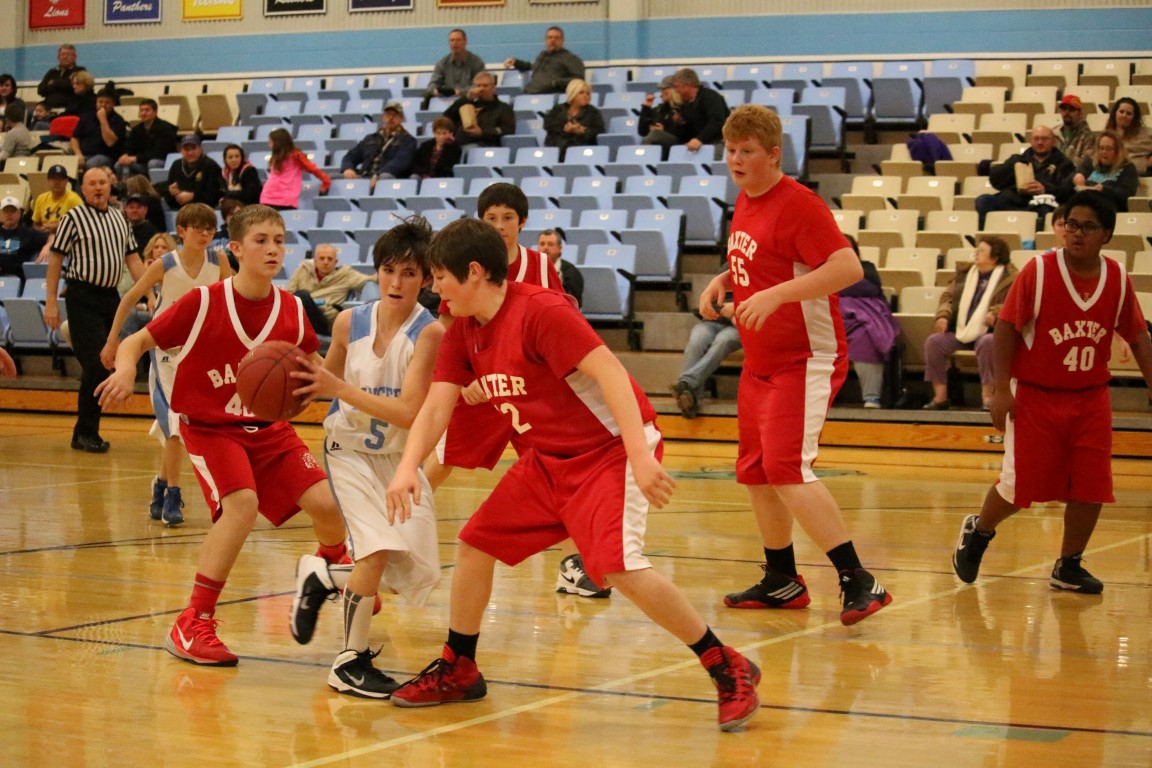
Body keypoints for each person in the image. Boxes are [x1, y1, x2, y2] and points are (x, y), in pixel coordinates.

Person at [383, 217, 761, 731]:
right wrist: (407, 468)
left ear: (473, 272)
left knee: (620, 566)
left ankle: (724, 663)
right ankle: (459, 667)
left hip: (608, 451)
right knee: (475, 544)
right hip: (547, 459)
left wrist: (640, 455)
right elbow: (435, 408)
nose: (434, 288)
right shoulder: (462, 332)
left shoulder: (541, 311)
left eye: (440, 277)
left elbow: (611, 373)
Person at [95, 204, 350, 666]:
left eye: (279, 240)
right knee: (242, 506)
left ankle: (327, 571)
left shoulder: (292, 308)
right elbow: (137, 340)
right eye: (261, 241)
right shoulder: (204, 302)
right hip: (211, 429)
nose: (272, 249)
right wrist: (126, 368)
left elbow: (317, 368)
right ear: (235, 249)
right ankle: (192, 620)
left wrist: (340, 390)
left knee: (329, 506)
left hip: (270, 430)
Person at [699, 104, 892, 625]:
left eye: (747, 151)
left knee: (786, 468)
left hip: (805, 358)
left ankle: (859, 579)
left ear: (773, 154)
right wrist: (724, 279)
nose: (736, 160)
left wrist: (778, 295)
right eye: (731, 150)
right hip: (761, 360)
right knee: (756, 472)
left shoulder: (800, 204)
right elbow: (764, 257)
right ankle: (782, 579)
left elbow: (848, 267)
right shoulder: (746, 198)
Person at [951, 190, 1152, 594]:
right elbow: (1006, 327)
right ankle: (979, 529)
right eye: (1072, 224)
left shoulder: (1116, 278)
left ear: (1107, 235)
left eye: (1088, 227)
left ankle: (1069, 565)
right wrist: (1001, 390)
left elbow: (1137, 335)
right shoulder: (1039, 272)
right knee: (1019, 486)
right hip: (1036, 394)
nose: (1077, 233)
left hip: (1091, 396)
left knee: (1092, 484)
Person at [289, 217, 445, 698]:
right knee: (374, 552)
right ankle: (349, 660)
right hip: (348, 451)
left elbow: (408, 412)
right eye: (388, 270)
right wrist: (288, 379)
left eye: (409, 273)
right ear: (376, 271)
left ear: (426, 279)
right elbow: (324, 385)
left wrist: (339, 388)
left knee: (414, 571)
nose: (396, 282)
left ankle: (323, 575)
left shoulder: (430, 333)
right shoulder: (347, 322)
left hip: (396, 459)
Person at [99, 203, 232, 527]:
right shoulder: (166, 264)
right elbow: (130, 298)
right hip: (165, 353)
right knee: (175, 426)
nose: (205, 234)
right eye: (198, 228)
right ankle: (173, 493)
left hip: (200, 354)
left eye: (210, 229)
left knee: (182, 427)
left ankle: (160, 486)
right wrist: (113, 339)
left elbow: (233, 302)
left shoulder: (220, 262)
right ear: (182, 232)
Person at [44, 167, 145, 453]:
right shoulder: (73, 218)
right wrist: (50, 302)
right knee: (96, 362)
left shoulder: (120, 218)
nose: (98, 187)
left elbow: (133, 260)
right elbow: (55, 261)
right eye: (92, 183)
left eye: (102, 182)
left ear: (110, 186)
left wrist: (151, 293)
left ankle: (85, 432)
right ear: (83, 189)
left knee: (106, 361)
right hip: (82, 296)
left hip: (111, 297)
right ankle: (85, 432)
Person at [921, 236, 1018, 411]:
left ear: (995, 257)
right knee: (934, 342)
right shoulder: (965, 274)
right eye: (977, 250)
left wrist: (997, 313)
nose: (976, 254)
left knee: (988, 342)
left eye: (981, 251)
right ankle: (940, 398)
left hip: (990, 331)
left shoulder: (1011, 278)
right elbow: (947, 298)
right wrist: (943, 316)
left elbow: (1015, 303)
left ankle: (988, 397)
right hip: (961, 330)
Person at [838, 237, 899, 409]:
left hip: (861, 319)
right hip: (829, 320)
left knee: (866, 337)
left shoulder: (867, 268)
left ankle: (871, 397)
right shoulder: (817, 268)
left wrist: (832, 284)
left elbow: (868, 288)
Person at [975, 125, 1075, 228]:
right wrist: (1012, 167)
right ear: (1031, 141)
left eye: (1044, 139)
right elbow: (995, 181)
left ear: (1054, 142)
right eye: (1036, 139)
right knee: (984, 200)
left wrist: (1045, 189)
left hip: (1042, 204)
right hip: (1013, 201)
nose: (1040, 142)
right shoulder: (1017, 159)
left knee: (1045, 209)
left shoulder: (1064, 164)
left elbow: (1067, 192)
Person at [670, 297, 742, 420]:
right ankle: (691, 398)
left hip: (739, 325)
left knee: (723, 341)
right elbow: (706, 302)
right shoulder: (720, 284)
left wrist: (737, 309)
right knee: (696, 342)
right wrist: (726, 309)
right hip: (712, 321)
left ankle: (686, 384)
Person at [286, 242, 372, 335]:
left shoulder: (345, 274)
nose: (325, 262)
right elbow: (289, 294)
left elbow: (370, 280)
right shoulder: (303, 270)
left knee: (302, 296)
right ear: (315, 261)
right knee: (296, 298)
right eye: (322, 258)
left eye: (330, 259)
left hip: (326, 321)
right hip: (301, 316)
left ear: (336, 262)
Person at [1061, 129, 1139, 212]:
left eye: (1109, 149)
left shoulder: (1128, 168)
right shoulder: (1090, 163)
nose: (1104, 152)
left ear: (1118, 151)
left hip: (1111, 211)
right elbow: (1063, 189)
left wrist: (1103, 189)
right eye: (1101, 148)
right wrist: (1075, 178)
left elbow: (1126, 194)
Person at [340, 103, 416, 183]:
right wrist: (348, 169)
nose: (391, 118)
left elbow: (400, 162)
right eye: (388, 114)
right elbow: (350, 156)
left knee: (384, 177)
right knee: (334, 177)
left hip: (388, 178)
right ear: (383, 117)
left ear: (401, 118)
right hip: (364, 176)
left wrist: (378, 175)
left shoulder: (408, 140)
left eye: (395, 115)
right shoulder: (370, 138)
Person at [260, 128, 330, 210]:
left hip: (283, 200)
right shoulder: (276, 158)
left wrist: (326, 181)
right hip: (268, 198)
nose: (269, 145)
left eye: (271, 142)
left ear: (278, 143)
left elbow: (312, 168)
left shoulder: (296, 156)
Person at [442, 72, 516, 149]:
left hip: (485, 145)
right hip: (458, 146)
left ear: (493, 88)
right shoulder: (467, 104)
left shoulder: (503, 108)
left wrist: (482, 132)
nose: (481, 89)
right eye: (478, 86)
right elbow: (446, 118)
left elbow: (508, 129)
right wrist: (466, 98)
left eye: (485, 86)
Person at [503, 26, 585, 96]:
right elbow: (533, 66)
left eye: (556, 38)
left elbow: (579, 79)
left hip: (551, 96)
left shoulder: (570, 58)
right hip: (530, 94)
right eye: (550, 37)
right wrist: (516, 62)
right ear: (545, 40)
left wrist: (556, 83)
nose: (552, 40)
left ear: (562, 41)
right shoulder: (542, 55)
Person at [670, 68, 731, 157]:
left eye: (676, 87)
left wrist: (700, 139)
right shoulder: (685, 105)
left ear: (687, 85)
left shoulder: (711, 97)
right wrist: (680, 124)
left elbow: (717, 122)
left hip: (718, 142)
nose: (675, 90)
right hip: (696, 144)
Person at [115, 98, 178, 180]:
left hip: (163, 161)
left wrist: (136, 158)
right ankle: (127, 186)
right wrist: (125, 156)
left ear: (155, 112)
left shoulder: (165, 128)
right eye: (141, 110)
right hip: (143, 162)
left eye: (147, 110)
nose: (143, 113)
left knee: (153, 163)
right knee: (119, 164)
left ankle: (155, 186)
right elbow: (129, 147)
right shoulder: (136, 129)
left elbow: (159, 153)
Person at [542, 79, 605, 156]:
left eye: (588, 93)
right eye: (581, 92)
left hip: (581, 150)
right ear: (573, 93)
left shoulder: (593, 112)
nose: (585, 96)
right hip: (556, 148)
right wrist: (566, 127)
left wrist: (582, 131)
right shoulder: (558, 109)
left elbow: (599, 131)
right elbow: (548, 125)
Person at [425, 29, 486, 107]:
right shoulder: (442, 63)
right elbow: (432, 85)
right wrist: (436, 91)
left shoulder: (477, 63)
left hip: (470, 103)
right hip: (446, 104)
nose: (455, 43)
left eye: (458, 40)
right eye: (452, 40)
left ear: (465, 42)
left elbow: (479, 87)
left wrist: (459, 92)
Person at [69, 92, 127, 171]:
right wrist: (78, 154)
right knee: (69, 165)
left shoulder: (118, 120)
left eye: (107, 102)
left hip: (106, 156)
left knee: (90, 165)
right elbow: (74, 138)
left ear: (113, 104)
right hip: (84, 154)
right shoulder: (86, 117)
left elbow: (110, 142)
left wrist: (103, 119)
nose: (103, 105)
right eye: (100, 102)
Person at [165, 134, 224, 210]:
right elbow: (169, 198)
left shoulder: (210, 165)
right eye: (186, 149)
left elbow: (215, 195)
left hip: (205, 209)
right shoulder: (176, 165)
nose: (190, 153)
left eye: (193, 148)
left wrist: (193, 196)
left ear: (200, 149)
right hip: (180, 209)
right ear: (181, 150)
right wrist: (172, 193)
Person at [0, 196, 49, 283]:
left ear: (19, 214)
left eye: (12, 211)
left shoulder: (29, 233)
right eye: (6, 211)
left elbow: (53, 237)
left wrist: (47, 247)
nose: (9, 214)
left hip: (18, 279)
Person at [1105, 97, 1151, 175]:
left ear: (1134, 117)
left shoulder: (1146, 133)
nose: (1124, 115)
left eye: (1129, 113)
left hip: (1140, 174)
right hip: (1111, 173)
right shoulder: (1107, 135)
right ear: (1115, 113)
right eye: (1121, 112)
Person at [536, 228, 582, 307]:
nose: (545, 248)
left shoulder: (571, 272)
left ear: (560, 248)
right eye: (542, 244)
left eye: (550, 244)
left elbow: (575, 303)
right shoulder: (531, 268)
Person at [31, 164, 82, 233]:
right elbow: (35, 224)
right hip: (43, 236)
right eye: (53, 179)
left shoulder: (75, 199)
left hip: (66, 235)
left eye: (60, 179)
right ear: (48, 180)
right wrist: (43, 231)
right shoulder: (41, 198)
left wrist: (57, 228)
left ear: (66, 181)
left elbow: (80, 224)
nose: (57, 182)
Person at [639, 76, 686, 151]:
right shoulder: (659, 109)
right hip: (661, 147)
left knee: (656, 135)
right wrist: (646, 108)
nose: (661, 94)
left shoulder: (683, 107)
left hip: (680, 145)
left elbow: (686, 132)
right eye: (661, 90)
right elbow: (642, 132)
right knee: (654, 135)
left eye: (664, 89)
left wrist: (664, 131)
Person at [37, 44, 85, 111]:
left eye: (68, 55)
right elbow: (41, 90)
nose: (65, 57)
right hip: (48, 108)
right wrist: (62, 85)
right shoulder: (52, 72)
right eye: (62, 54)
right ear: (58, 57)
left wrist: (53, 83)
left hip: (70, 108)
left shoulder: (80, 71)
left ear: (75, 57)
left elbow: (70, 86)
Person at [1055, 94, 1097, 168]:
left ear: (1079, 113)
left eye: (1071, 109)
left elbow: (1086, 164)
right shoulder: (1055, 133)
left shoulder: (1088, 137)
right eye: (1064, 109)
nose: (1067, 112)